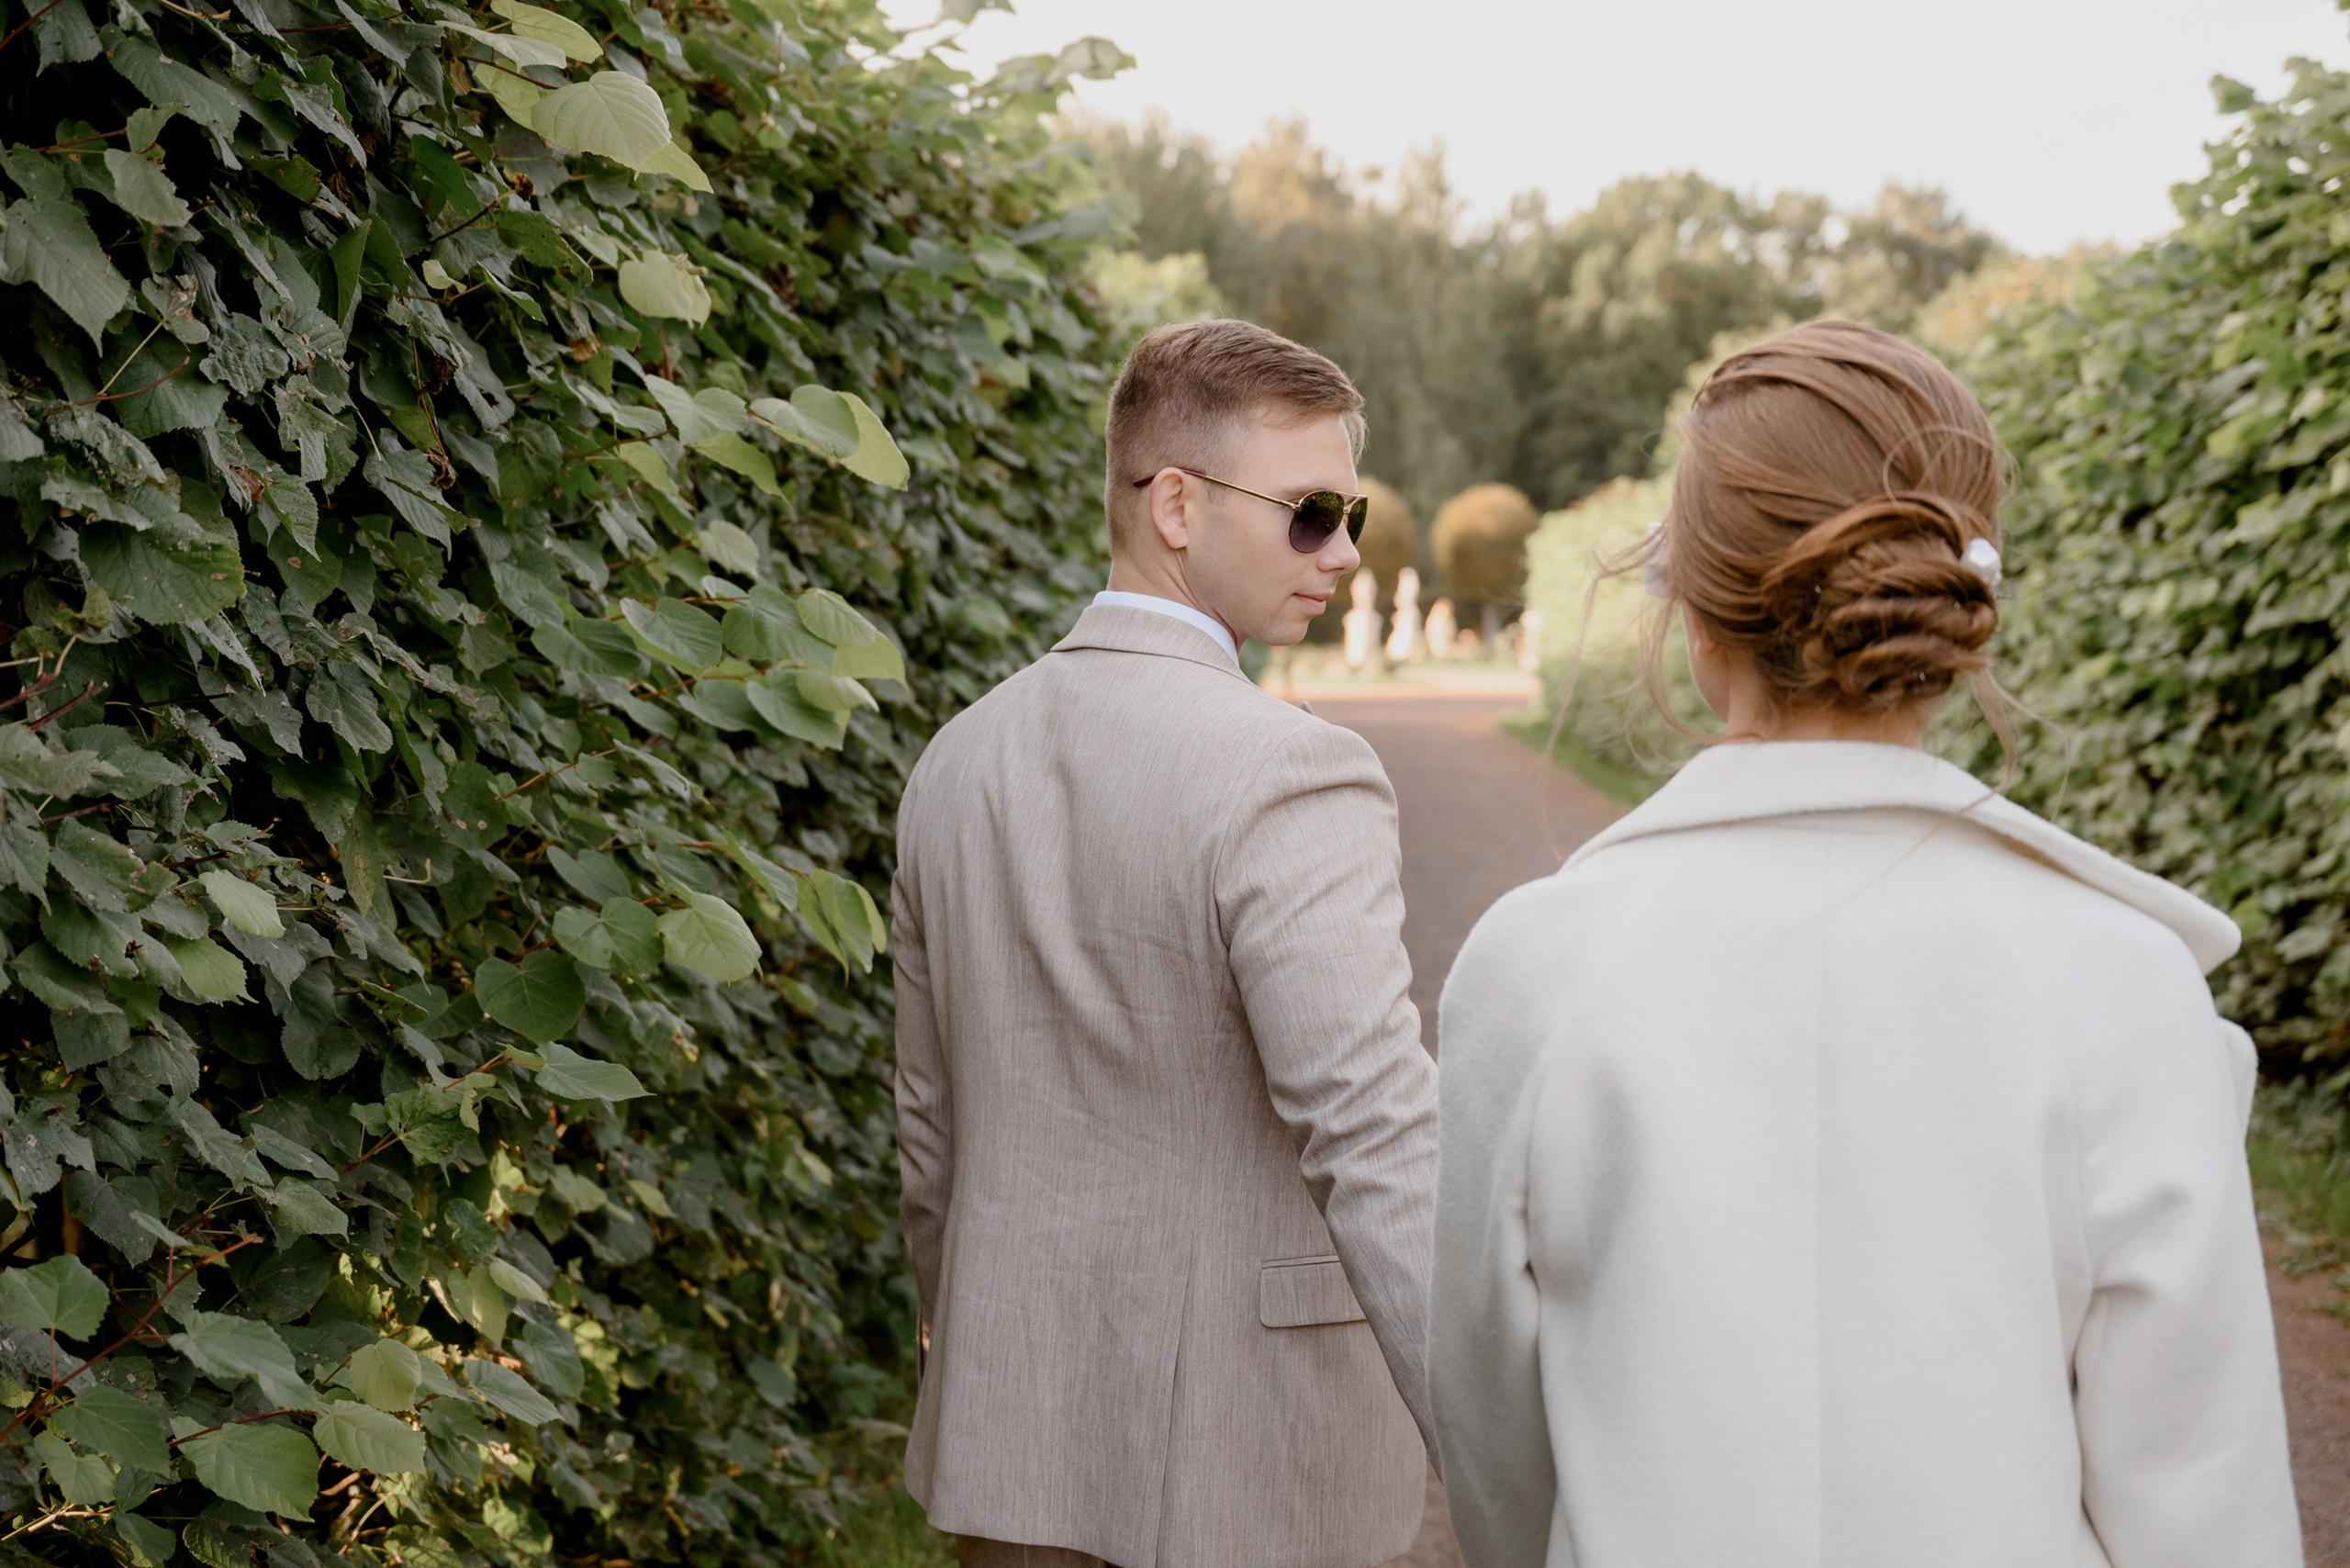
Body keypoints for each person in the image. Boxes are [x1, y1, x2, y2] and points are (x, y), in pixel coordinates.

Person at [1429, 319, 2300, 1567]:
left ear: (1693, 616)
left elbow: (1492, 1426)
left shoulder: (1539, 971)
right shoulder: (2126, 978)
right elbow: (2202, 1499)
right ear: (1964, 604)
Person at [892, 319, 1439, 1568]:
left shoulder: (956, 759)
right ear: (1177, 505)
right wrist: (1495, 1439)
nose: (1345, 552)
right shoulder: (1293, 771)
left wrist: (978, 1362)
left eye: (1347, 515)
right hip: (1250, 1468)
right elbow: (1378, 1139)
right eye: (1311, 512)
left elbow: (931, 1142)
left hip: (1009, 1446)